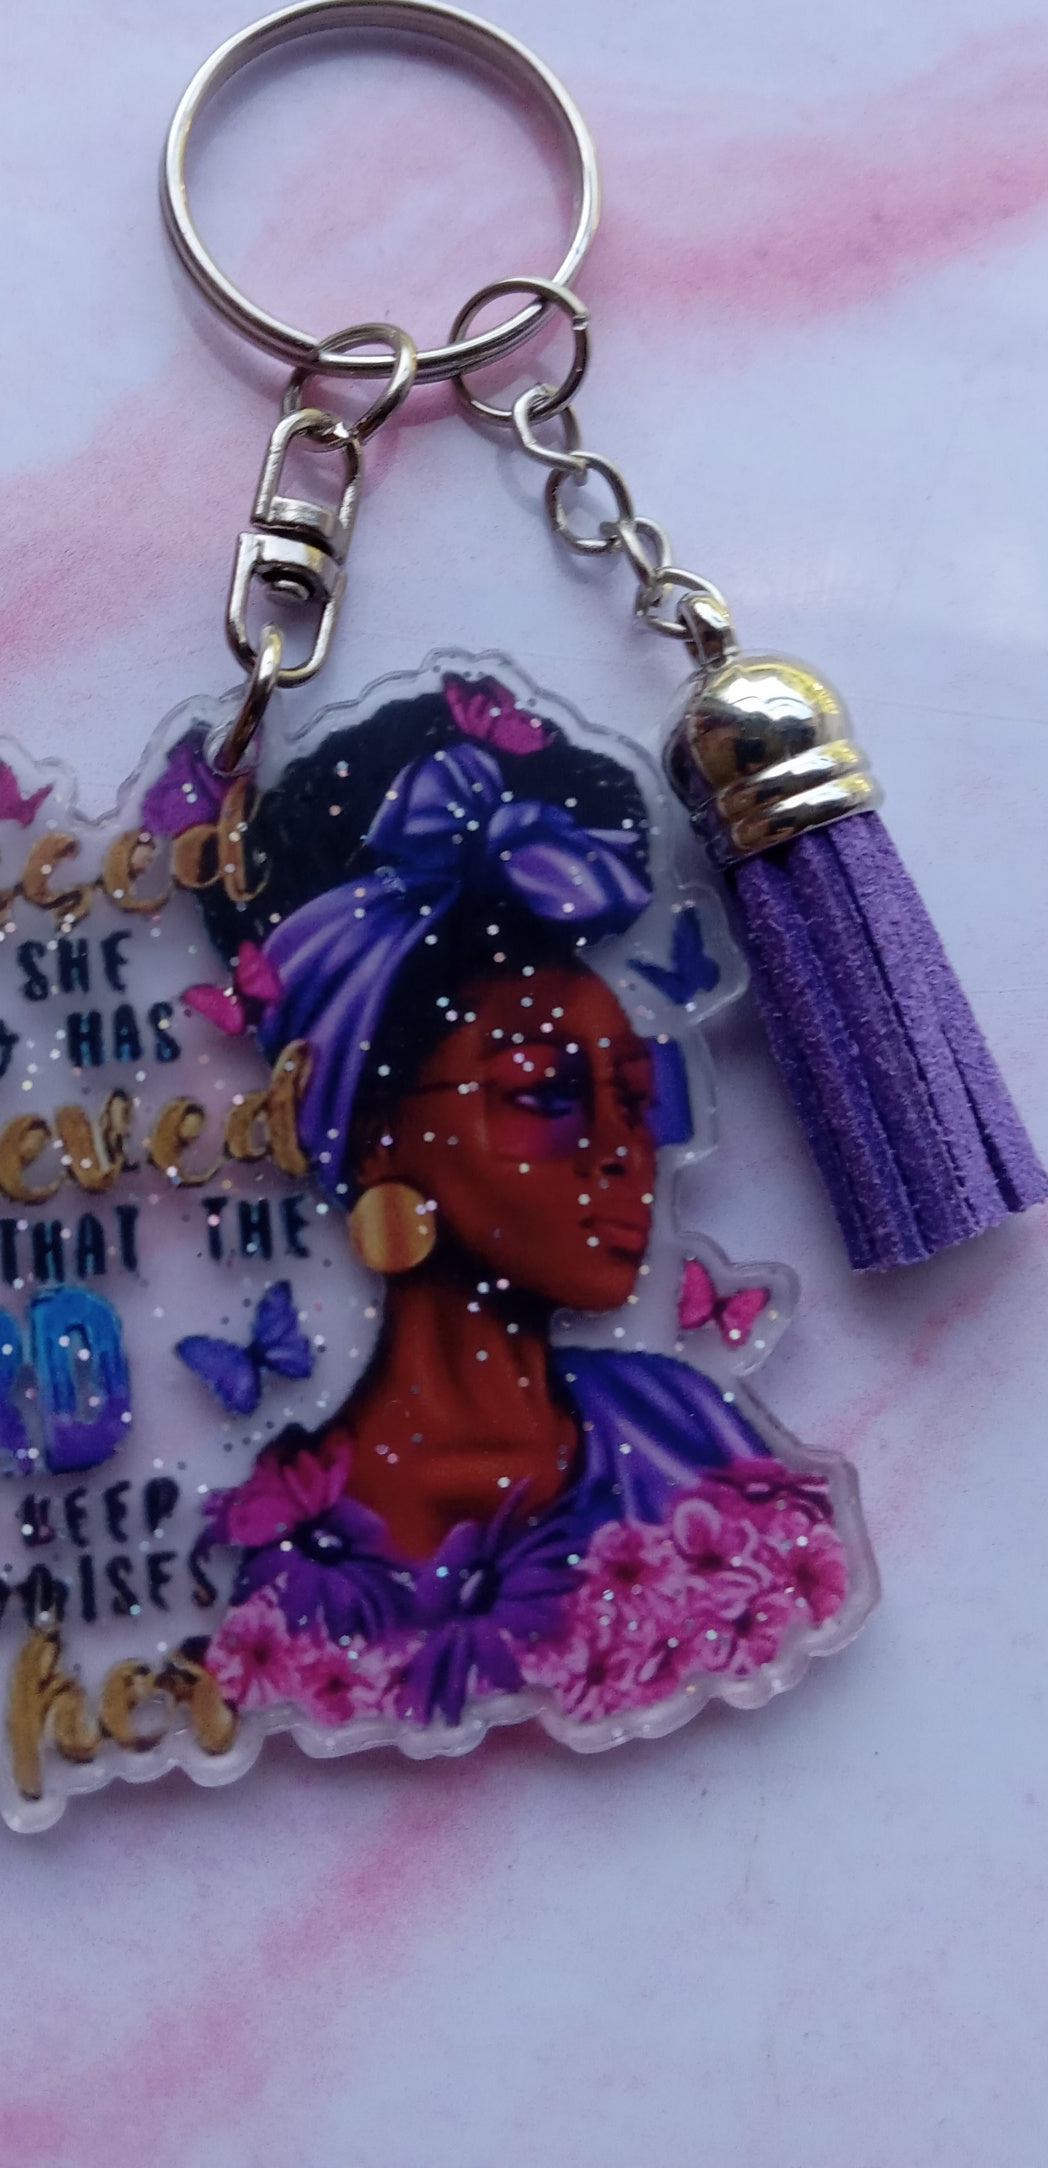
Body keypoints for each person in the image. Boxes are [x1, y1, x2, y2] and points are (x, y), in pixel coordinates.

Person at [176, 670, 873, 1740]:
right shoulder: (274, 1563)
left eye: (637, 1099)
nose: (624, 1158)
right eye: (544, 1092)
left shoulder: (692, 1445)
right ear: (373, 1133)